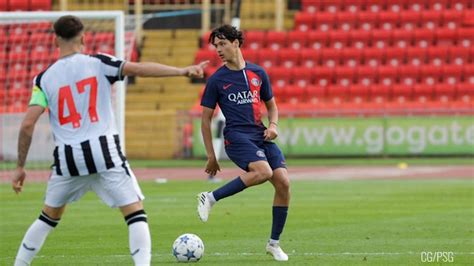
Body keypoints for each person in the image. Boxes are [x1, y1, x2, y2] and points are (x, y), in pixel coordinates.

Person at [11, 15, 208, 266]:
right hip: (104, 151)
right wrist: (181, 70)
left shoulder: (43, 79)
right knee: (135, 214)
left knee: (48, 217)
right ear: (83, 38)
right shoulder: (99, 63)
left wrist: (20, 166)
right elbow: (138, 68)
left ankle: (19, 263)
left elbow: (28, 124)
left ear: (56, 40)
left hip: (68, 158)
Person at [196, 25, 290, 261]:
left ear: (236, 43)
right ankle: (210, 197)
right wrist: (211, 155)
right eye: (215, 46)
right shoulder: (217, 80)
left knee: (284, 184)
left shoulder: (258, 73)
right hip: (236, 137)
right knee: (263, 171)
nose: (218, 49)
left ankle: (273, 244)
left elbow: (272, 107)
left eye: (222, 44)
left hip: (260, 134)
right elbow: (205, 119)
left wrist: (273, 126)